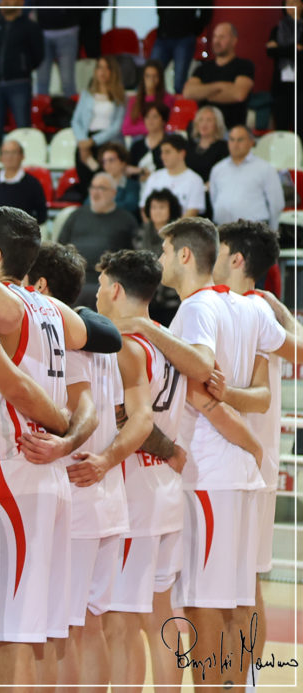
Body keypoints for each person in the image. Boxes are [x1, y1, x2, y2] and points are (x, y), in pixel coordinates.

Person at [112, 216, 289, 688]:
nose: (162, 259)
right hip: (240, 474)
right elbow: (261, 392)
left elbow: (201, 388)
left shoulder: (193, 311)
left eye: (166, 251)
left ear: (185, 255)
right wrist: (250, 442)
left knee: (201, 605)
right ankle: (238, 685)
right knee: (236, 599)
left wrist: (145, 328)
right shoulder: (251, 309)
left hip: (209, 471)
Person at [0, 206, 120, 689]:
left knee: (10, 639)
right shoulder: (53, 309)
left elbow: (22, 390)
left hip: (11, 473)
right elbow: (103, 337)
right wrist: (67, 437)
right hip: (47, 480)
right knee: (34, 636)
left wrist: (60, 428)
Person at [25, 242, 132, 691]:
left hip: (79, 491)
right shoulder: (98, 339)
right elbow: (127, 414)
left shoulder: (60, 339)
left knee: (65, 630)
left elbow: (79, 410)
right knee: (93, 627)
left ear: (42, 286)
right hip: (107, 496)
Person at [93, 249, 187, 693]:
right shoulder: (167, 341)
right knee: (162, 618)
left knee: (121, 623)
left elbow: (133, 420)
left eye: (100, 284)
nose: (95, 293)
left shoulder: (124, 346)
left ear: (114, 288)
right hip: (166, 489)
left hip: (137, 494)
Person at [211, 221, 292, 687]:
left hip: (248, 456)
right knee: (238, 579)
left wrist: (273, 301)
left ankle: (245, 675)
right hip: (238, 455)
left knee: (244, 580)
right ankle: (241, 675)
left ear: (236, 258)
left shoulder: (255, 308)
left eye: (221, 249)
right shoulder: (248, 307)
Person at [58, 172, 138, 307]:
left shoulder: (126, 220)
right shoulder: (76, 215)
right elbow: (60, 248)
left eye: (101, 188)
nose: (95, 192)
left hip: (108, 283)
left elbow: (134, 258)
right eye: (93, 187)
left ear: (114, 193)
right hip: (74, 280)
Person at [0, 0, 44, 140]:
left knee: (23, 129)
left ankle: (26, 160)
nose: (6, 2)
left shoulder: (30, 26)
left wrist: (22, 68)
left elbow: (38, 55)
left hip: (19, 84)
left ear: (20, 2)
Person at [209, 125, 285, 230]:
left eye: (240, 140)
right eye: (231, 139)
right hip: (224, 228)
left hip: (254, 230)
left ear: (251, 142)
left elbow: (276, 203)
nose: (235, 144)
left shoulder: (265, 168)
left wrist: (272, 231)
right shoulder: (218, 169)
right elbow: (214, 199)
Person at [183, 22, 255, 129]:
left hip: (232, 130)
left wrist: (205, 93)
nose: (217, 41)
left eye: (222, 37)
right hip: (204, 131)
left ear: (234, 41)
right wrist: (220, 86)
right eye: (215, 36)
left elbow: (239, 94)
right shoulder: (202, 68)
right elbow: (188, 93)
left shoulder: (244, 66)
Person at [72, 55, 127, 194]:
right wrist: (82, 141)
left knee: (104, 179)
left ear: (113, 72)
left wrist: (92, 142)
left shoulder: (120, 96)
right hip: (85, 140)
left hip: (107, 143)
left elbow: (116, 126)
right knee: (86, 179)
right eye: (100, 67)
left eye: (107, 68)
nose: (103, 72)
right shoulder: (86, 94)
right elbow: (75, 120)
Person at [135, 187, 183, 326]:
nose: (157, 211)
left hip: (172, 296)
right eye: (154, 207)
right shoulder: (141, 232)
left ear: (171, 210)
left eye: (162, 207)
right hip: (146, 295)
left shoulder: (178, 234)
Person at [150, 0, 213, 94]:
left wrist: (195, 29)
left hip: (184, 37)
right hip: (163, 35)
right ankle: (149, 104)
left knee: (179, 82)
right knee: (151, 74)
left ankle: (180, 107)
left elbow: (206, 10)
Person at [139, 134, 206, 218]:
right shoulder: (154, 177)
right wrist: (152, 229)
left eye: (167, 152)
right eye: (162, 152)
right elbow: (144, 208)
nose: (163, 157)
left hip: (182, 230)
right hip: (154, 230)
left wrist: (171, 230)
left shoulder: (195, 180)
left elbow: (192, 213)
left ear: (181, 154)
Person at [0, 139, 48, 225]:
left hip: (24, 234)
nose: (9, 157)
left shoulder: (33, 183)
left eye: (14, 152)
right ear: (1, 157)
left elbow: (42, 215)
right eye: (6, 153)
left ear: (22, 156)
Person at [267, 0, 302, 132]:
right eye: (288, 3)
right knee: (281, 126)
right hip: (281, 85)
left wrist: (280, 48)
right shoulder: (277, 28)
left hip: (300, 85)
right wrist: (295, 48)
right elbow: (270, 52)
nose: (291, 6)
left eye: (295, 2)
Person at [35, 5, 81, 97]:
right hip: (42, 31)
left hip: (67, 31)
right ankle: (42, 108)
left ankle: (71, 110)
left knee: (67, 81)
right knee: (42, 81)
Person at [123, 59, 175, 138]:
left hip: (159, 137)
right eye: (148, 76)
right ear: (143, 78)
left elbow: (166, 125)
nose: (151, 80)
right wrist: (150, 128)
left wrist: (141, 128)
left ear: (160, 78)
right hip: (139, 138)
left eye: (155, 76)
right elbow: (126, 129)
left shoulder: (167, 99)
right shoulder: (134, 100)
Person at [186, 105, 229, 183]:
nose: (204, 124)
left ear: (217, 124)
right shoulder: (189, 146)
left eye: (209, 120)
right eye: (201, 120)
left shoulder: (224, 148)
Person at [98, 142, 141, 219]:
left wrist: (103, 205)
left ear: (123, 163)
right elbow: (87, 204)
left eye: (111, 160)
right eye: (104, 161)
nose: (107, 165)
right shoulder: (99, 184)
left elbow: (130, 206)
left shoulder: (132, 185)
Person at [128, 101, 170, 179]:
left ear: (163, 120)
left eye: (155, 117)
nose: (150, 121)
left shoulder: (170, 144)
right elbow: (129, 169)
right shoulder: (137, 145)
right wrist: (140, 171)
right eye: (147, 116)